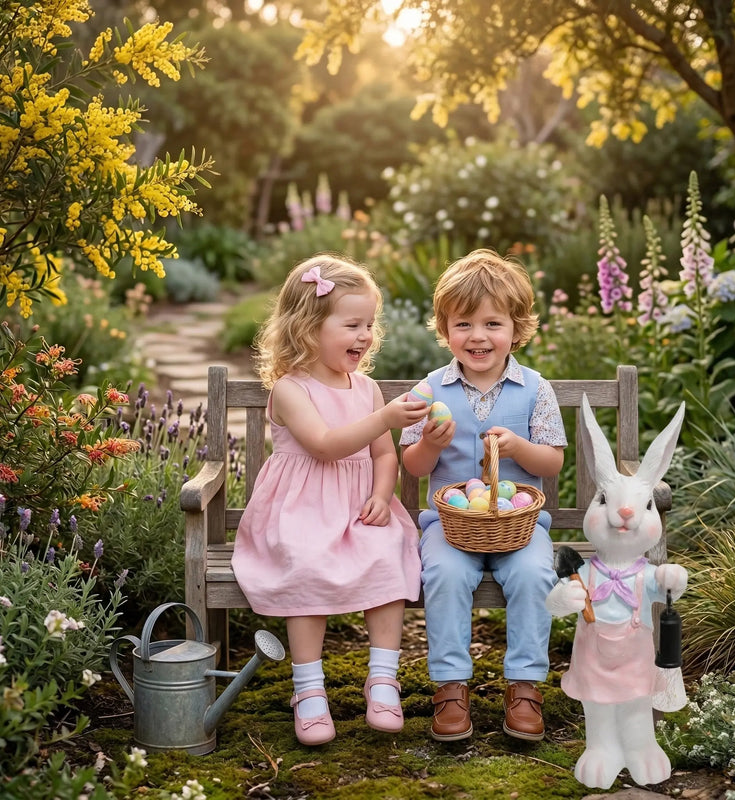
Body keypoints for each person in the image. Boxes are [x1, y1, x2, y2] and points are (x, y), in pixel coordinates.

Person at [231, 254, 429, 746]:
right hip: (301, 512)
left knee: (387, 558)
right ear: (308, 327)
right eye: (352, 324)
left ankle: (383, 678)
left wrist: (383, 495)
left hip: (359, 508)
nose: (364, 336)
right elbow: (324, 444)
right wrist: (385, 418)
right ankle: (309, 689)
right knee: (305, 563)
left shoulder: (366, 388)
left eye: (369, 325)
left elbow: (384, 455)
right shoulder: (290, 389)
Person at [400, 249, 567, 742]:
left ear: (517, 329)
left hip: (521, 528)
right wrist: (430, 443)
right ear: (444, 329)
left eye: (493, 323)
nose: (477, 336)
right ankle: (451, 688)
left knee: (536, 574)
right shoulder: (430, 390)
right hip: (449, 526)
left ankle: (525, 687)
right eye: (463, 324)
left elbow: (553, 462)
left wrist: (521, 449)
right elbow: (412, 466)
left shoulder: (535, 389)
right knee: (444, 575)